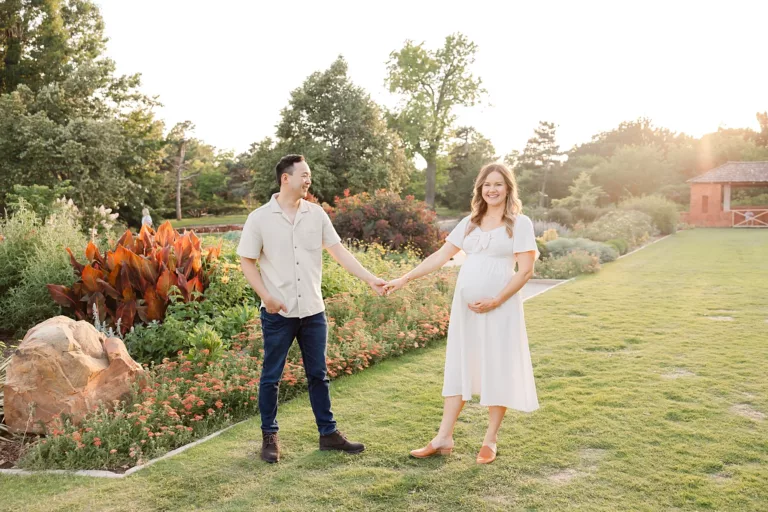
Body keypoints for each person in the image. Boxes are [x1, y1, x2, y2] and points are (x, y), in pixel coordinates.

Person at [385, 162, 540, 464]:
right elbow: (442, 256)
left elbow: (525, 272)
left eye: (498, 184)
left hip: (501, 308)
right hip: (465, 310)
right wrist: (404, 278)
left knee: (497, 365)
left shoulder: (520, 224)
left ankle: (490, 439)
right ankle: (443, 437)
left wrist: (495, 300)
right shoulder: (470, 222)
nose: (492, 190)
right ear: (480, 189)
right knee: (459, 364)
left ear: (508, 188)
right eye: (486, 184)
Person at [238, 154, 387, 463]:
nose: (308, 180)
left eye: (309, 175)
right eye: (303, 175)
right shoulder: (260, 218)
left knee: (318, 375)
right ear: (285, 178)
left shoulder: (316, 214)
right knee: (271, 377)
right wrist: (266, 296)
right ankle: (269, 437)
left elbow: (339, 252)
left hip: (313, 312)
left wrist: (371, 279)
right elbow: (247, 261)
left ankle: (328, 434)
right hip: (278, 314)